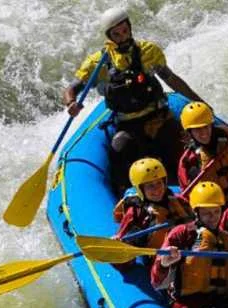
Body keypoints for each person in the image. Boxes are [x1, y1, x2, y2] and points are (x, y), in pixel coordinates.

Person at [62, 8, 205, 194]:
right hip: (128, 125)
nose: (122, 36)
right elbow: (71, 89)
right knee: (119, 150)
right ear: (109, 36)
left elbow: (172, 79)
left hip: (159, 118)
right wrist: (71, 103)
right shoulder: (97, 63)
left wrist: (199, 102)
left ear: (130, 28)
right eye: (116, 34)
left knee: (183, 149)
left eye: (125, 30)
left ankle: (193, 187)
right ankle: (129, 200)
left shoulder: (148, 51)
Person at [176, 102, 228, 205]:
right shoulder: (189, 161)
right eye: (197, 129)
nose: (203, 132)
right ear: (190, 131)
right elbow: (188, 197)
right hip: (219, 211)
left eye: (206, 127)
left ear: (211, 125)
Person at [114, 158, 194, 250]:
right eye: (150, 186)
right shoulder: (135, 210)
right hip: (152, 253)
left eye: (159, 183)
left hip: (177, 249)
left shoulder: (178, 201)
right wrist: (118, 238)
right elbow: (122, 233)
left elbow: (194, 224)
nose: (156, 189)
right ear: (140, 189)